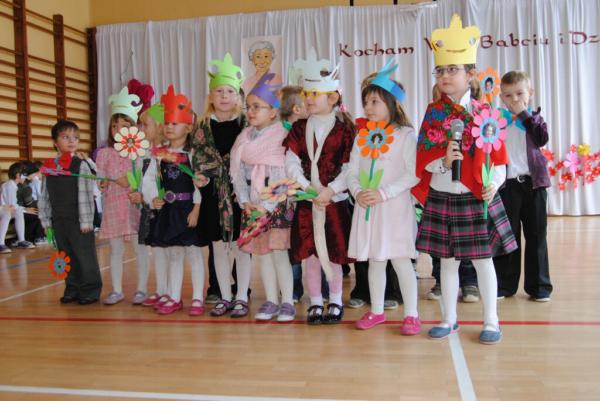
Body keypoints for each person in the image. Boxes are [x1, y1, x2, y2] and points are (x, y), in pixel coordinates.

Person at [413, 15, 517, 344]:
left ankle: (491, 321)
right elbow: (422, 159)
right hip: (444, 194)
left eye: (452, 69)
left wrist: (493, 184)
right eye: (440, 70)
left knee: (484, 261)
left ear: (470, 75)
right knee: (447, 262)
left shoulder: (485, 113)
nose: (444, 76)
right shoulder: (433, 112)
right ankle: (449, 318)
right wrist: (443, 162)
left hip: (475, 194)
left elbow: (499, 159)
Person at [347, 62, 421, 334]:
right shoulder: (362, 136)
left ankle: (411, 314)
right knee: (375, 260)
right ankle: (376, 311)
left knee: (401, 261)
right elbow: (352, 170)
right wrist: (357, 192)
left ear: (392, 103)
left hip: (395, 209)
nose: (368, 107)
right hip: (368, 207)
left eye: (375, 101)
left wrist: (383, 193)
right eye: (366, 102)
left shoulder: (406, 136)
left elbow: (413, 174)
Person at [284, 48, 355, 325]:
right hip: (307, 202)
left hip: (333, 203)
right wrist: (306, 188)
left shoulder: (345, 131)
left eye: (315, 93)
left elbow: (350, 167)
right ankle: (315, 301)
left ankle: (335, 300)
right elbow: (291, 161)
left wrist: (331, 190)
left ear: (332, 97)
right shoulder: (299, 129)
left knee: (333, 255)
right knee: (310, 257)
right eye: (306, 93)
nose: (308, 99)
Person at [230, 74, 295, 321]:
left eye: (257, 107)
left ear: (273, 112)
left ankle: (287, 301)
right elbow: (238, 175)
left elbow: (282, 177)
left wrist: (266, 206)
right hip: (253, 206)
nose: (251, 111)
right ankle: (270, 300)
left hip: (275, 207)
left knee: (279, 255)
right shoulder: (243, 139)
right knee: (263, 255)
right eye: (248, 107)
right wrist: (245, 201)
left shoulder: (281, 137)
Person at [192, 53, 252, 316]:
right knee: (217, 246)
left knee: (241, 246)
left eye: (230, 91)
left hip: (239, 194)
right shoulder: (203, 126)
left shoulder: (246, 125)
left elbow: (251, 157)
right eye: (219, 91)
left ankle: (242, 296)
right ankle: (225, 296)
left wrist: (244, 184)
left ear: (238, 97)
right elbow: (197, 156)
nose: (224, 96)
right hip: (212, 195)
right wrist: (200, 175)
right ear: (211, 96)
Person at [142, 85, 206, 315]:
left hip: (188, 210)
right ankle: (174, 297)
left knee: (194, 254)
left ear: (188, 127)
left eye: (175, 123)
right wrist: (153, 197)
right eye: (167, 123)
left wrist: (196, 209)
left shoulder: (193, 154)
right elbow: (149, 179)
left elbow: (199, 183)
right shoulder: (159, 154)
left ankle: (197, 298)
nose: (169, 127)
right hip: (169, 211)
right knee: (175, 255)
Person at [493, 70, 552, 302]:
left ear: (530, 93)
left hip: (534, 185)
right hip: (507, 187)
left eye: (519, 93)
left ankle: (539, 287)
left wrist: (524, 115)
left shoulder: (535, 119)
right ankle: (504, 285)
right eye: (508, 95)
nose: (514, 100)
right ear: (501, 98)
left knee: (537, 235)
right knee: (507, 237)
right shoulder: (497, 122)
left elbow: (541, 138)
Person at [38, 120, 102, 304]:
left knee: (84, 255)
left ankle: (90, 289)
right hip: (59, 220)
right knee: (65, 255)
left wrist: (86, 221)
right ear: (55, 142)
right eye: (66, 137)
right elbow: (45, 195)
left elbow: (85, 194)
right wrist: (46, 220)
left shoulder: (80, 165)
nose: (72, 141)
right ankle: (72, 288)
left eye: (75, 137)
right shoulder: (49, 166)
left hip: (78, 220)